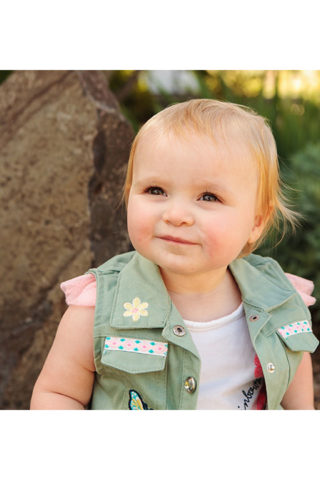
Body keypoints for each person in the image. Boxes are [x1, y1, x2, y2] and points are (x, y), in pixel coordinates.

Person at [30, 99, 319, 410]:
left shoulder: (280, 301)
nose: (176, 214)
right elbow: (59, 395)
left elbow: (295, 393)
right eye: (156, 190)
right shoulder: (99, 309)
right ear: (129, 196)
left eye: (209, 196)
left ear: (256, 222)